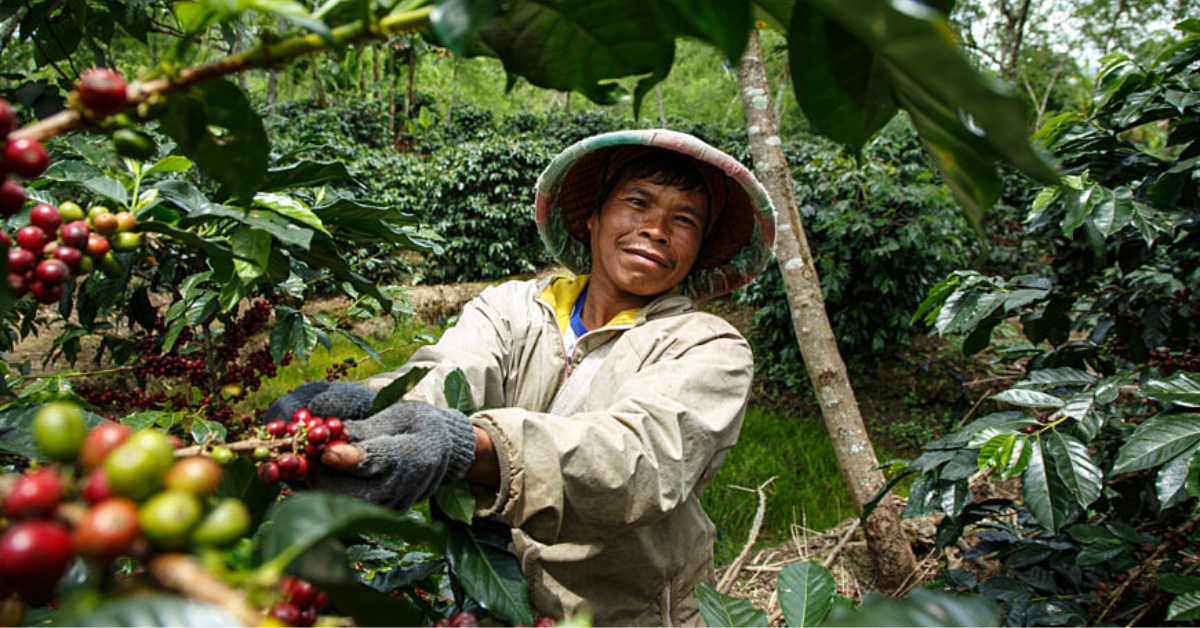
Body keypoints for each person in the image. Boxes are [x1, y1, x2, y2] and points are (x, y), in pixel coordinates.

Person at [266, 129, 776, 626]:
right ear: (593, 218)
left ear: (698, 249)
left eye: (684, 219)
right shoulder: (512, 308)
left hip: (627, 615)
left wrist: (472, 447)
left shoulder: (709, 347)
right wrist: (365, 405)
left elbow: (637, 461)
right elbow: (448, 374)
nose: (657, 229)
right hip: (491, 604)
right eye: (637, 202)